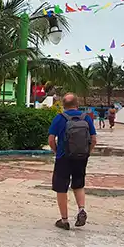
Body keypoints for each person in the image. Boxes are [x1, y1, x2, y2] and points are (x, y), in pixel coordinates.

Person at [48, 93, 97, 230]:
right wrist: (87, 152)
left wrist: (57, 151)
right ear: (77, 104)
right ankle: (81, 209)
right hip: (81, 157)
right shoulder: (86, 118)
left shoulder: (59, 118)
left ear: (63, 105)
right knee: (78, 184)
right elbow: (93, 139)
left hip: (63, 157)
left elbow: (51, 139)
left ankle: (64, 220)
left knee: (61, 188)